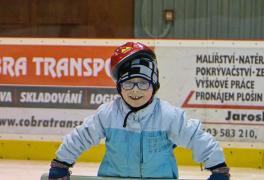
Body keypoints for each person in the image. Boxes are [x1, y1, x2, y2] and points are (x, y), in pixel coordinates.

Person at [48, 42, 230, 180]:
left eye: (143, 83)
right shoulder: (108, 114)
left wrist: (217, 166)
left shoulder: (168, 116)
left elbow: (195, 137)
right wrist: (62, 162)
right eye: (128, 83)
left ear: (154, 86)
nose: (135, 90)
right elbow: (82, 135)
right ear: (119, 87)